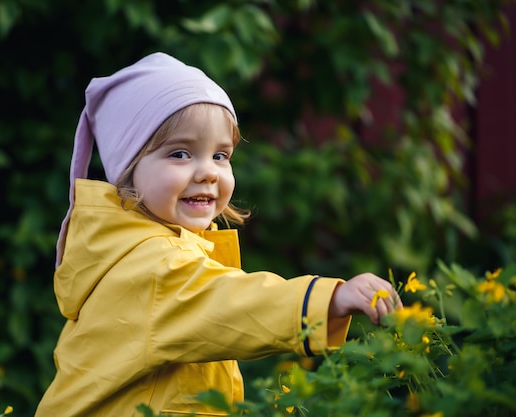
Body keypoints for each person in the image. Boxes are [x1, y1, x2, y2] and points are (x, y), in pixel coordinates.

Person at [34, 52, 402, 417]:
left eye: (221, 156)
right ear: (127, 173)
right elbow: (233, 303)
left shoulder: (136, 250)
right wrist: (330, 299)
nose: (208, 172)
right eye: (180, 154)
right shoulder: (152, 266)